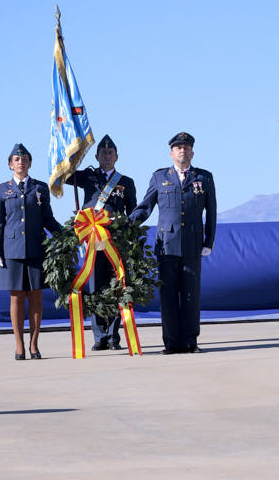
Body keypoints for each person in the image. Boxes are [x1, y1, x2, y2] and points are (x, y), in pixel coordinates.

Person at [131, 132, 216, 353]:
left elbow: (212, 212)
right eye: (178, 147)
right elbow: (145, 207)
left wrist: (209, 241)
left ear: (192, 152)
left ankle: (190, 341)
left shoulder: (204, 178)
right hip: (167, 245)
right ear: (171, 153)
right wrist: (123, 223)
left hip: (192, 245)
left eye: (186, 147)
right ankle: (171, 342)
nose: (182, 150)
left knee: (191, 295)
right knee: (168, 295)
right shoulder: (160, 177)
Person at [65, 134, 137, 349]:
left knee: (117, 286)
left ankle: (114, 336)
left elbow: (132, 212)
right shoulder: (88, 177)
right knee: (95, 286)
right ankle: (99, 337)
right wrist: (72, 156)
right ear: (96, 156)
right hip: (93, 240)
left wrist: (130, 237)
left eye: (110, 153)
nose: (107, 156)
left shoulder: (126, 182)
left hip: (115, 241)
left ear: (117, 157)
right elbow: (64, 176)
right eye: (103, 153)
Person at [0, 142, 62, 360]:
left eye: (24, 159)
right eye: (16, 159)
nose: (20, 162)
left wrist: (66, 234)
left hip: (36, 249)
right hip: (12, 252)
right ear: (10, 164)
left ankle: (34, 344)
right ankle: (18, 345)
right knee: (16, 299)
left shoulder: (40, 188)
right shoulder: (2, 189)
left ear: (30, 163)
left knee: (36, 298)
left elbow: (48, 219)